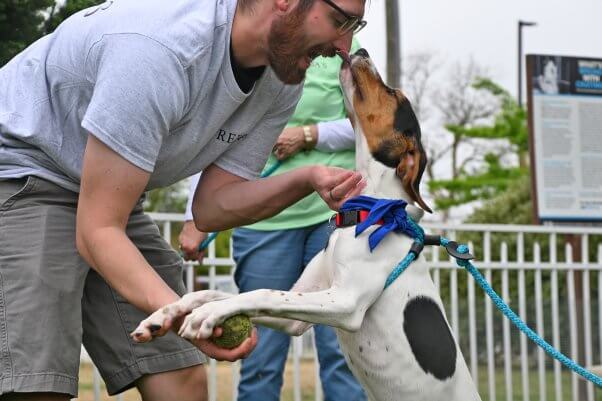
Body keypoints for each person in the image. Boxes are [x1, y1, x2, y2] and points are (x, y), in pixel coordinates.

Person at [0, 0, 367, 399]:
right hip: (24, 169)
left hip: (106, 195)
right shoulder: (159, 52)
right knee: (36, 384)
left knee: (180, 378)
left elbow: (212, 207)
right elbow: (97, 230)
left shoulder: (281, 80)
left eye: (355, 24)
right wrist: (187, 313)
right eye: (339, 20)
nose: (345, 45)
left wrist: (306, 179)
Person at [179, 40, 366, 401]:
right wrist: (194, 217)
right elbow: (211, 134)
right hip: (260, 221)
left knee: (341, 351)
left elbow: (371, 122)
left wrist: (311, 135)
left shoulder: (344, 47)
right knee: (261, 356)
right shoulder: (244, 41)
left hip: (334, 216)